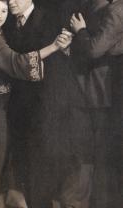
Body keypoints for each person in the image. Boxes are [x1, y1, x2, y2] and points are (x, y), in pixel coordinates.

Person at [0, 1, 72, 207]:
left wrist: (63, 46)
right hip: (3, 103)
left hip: (41, 101)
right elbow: (10, 59)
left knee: (22, 155)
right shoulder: (2, 26)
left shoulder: (48, 19)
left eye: (5, 7)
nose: (9, 5)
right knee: (0, 156)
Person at [69, 1, 123, 207]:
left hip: (103, 89)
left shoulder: (115, 9)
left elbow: (94, 50)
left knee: (98, 151)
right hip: (102, 89)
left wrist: (80, 31)